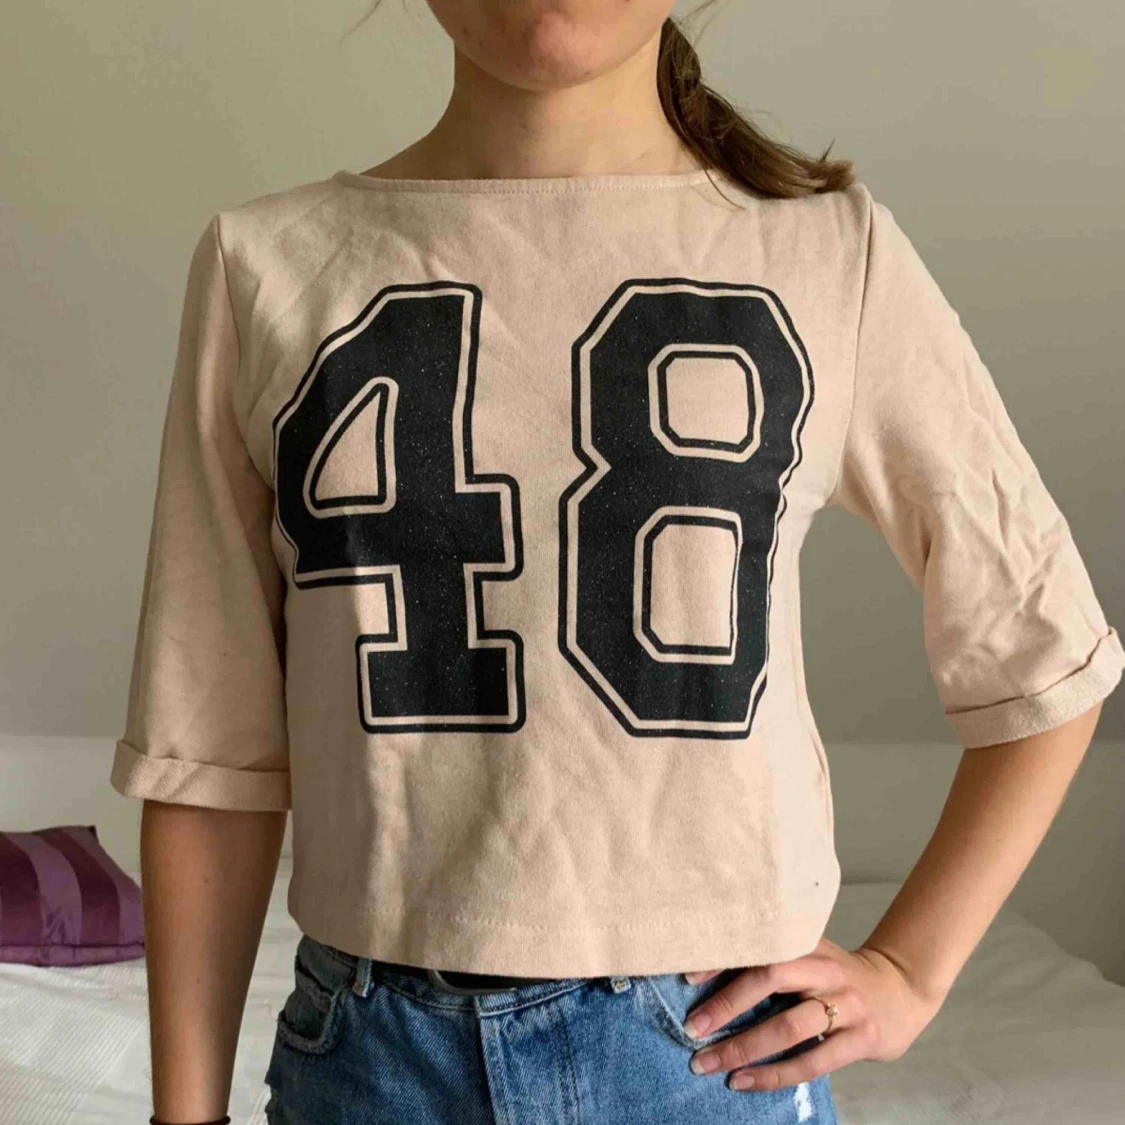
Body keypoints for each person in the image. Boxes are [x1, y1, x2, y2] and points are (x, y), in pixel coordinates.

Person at [109, 2, 1124, 1123]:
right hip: (371, 1056)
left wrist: (909, 968)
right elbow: (208, 757)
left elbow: (1047, 653)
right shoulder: (263, 267)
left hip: (709, 1059)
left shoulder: (832, 254)